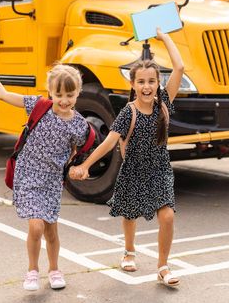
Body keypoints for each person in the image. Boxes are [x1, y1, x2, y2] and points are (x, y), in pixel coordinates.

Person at [69, 29, 184, 287]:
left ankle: (163, 266)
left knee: (167, 216)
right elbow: (109, 142)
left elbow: (179, 67)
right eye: (141, 82)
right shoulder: (128, 113)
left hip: (160, 169)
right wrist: (85, 165)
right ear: (132, 85)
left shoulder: (164, 102)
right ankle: (129, 251)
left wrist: (164, 37)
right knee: (130, 213)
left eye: (152, 81)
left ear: (158, 83)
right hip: (133, 169)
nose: (147, 86)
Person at [0, 51, 89, 291]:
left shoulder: (79, 124)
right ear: (50, 91)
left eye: (69, 95)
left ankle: (54, 269)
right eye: (58, 94)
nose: (64, 100)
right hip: (28, 176)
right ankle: (32, 271)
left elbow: (79, 150)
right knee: (36, 225)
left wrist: (80, 168)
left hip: (51, 181)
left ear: (78, 93)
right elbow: (2, 94)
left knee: (51, 229)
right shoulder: (39, 106)